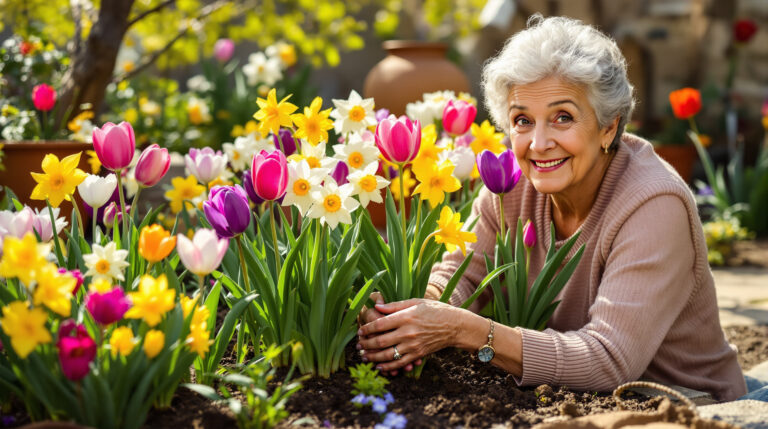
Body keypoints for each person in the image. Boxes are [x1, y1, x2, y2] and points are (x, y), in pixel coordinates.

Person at [356, 15, 747, 402]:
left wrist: (465, 331)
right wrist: (409, 310)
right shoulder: (511, 185)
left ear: (609, 127)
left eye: (563, 117)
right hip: (582, 400)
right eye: (522, 120)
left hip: (691, 404)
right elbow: (465, 275)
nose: (539, 144)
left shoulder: (653, 204)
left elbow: (609, 361)